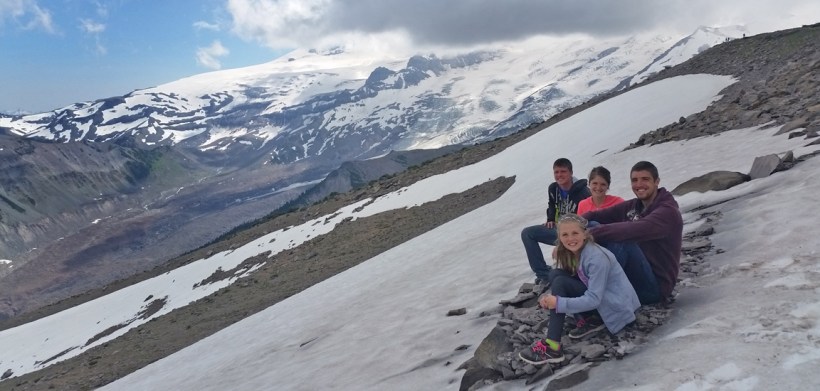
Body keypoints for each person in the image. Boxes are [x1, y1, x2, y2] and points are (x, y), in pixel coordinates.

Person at [518, 214, 640, 365]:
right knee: (556, 274)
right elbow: (578, 278)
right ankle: (589, 319)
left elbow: (594, 299)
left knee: (561, 282)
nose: (570, 239)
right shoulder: (576, 251)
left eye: (575, 233)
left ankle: (552, 346)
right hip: (604, 302)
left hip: (617, 309)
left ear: (585, 233)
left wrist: (558, 303)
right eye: (565, 235)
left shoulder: (596, 258)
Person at [582, 161, 683, 305]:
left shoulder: (667, 212)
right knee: (593, 224)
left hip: (655, 288)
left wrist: (588, 234)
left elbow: (633, 230)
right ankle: (589, 282)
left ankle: (595, 294)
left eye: (645, 179)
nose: (639, 184)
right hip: (636, 274)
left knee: (621, 241)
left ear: (657, 182)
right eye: (635, 180)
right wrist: (574, 224)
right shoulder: (635, 205)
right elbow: (598, 215)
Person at [521, 158, 590, 285]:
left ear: (571, 173)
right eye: (556, 172)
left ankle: (577, 272)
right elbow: (551, 204)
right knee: (527, 233)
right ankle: (544, 275)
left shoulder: (583, 192)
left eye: (563, 171)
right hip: (559, 229)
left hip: (576, 234)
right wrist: (551, 219)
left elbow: (587, 219)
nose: (559, 175)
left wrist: (567, 237)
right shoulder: (553, 189)